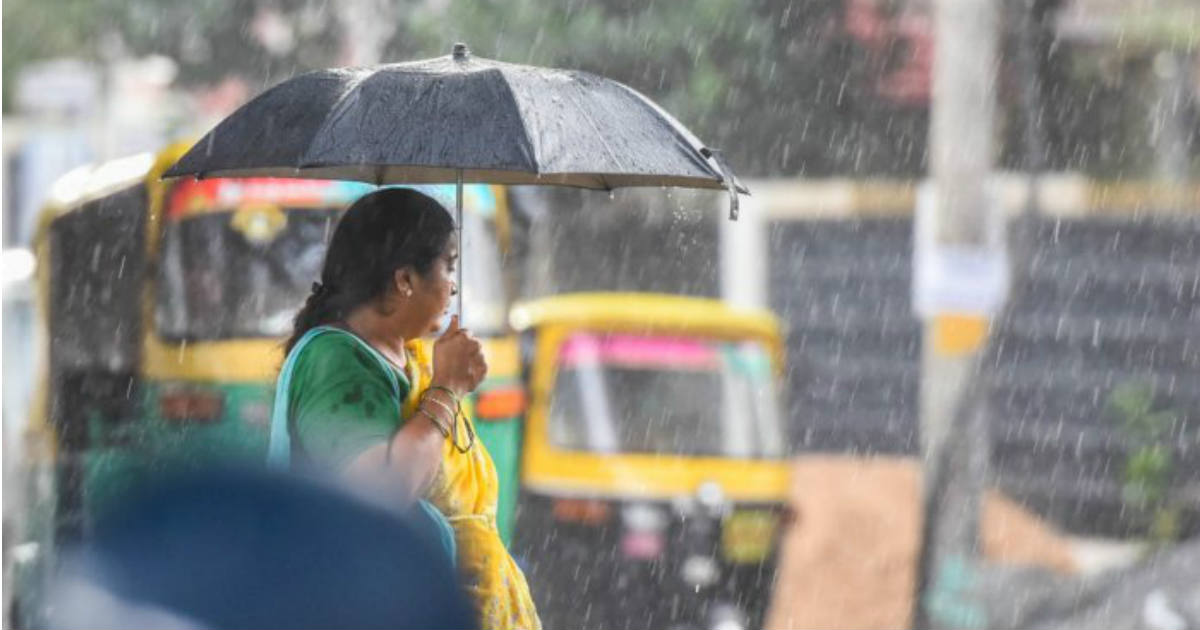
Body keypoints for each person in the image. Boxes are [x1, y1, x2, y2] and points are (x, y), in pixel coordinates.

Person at [268, 188, 541, 630]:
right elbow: (381, 492)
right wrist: (447, 389)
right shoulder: (337, 361)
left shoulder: (407, 358)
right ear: (404, 280)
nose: (454, 284)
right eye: (448, 267)